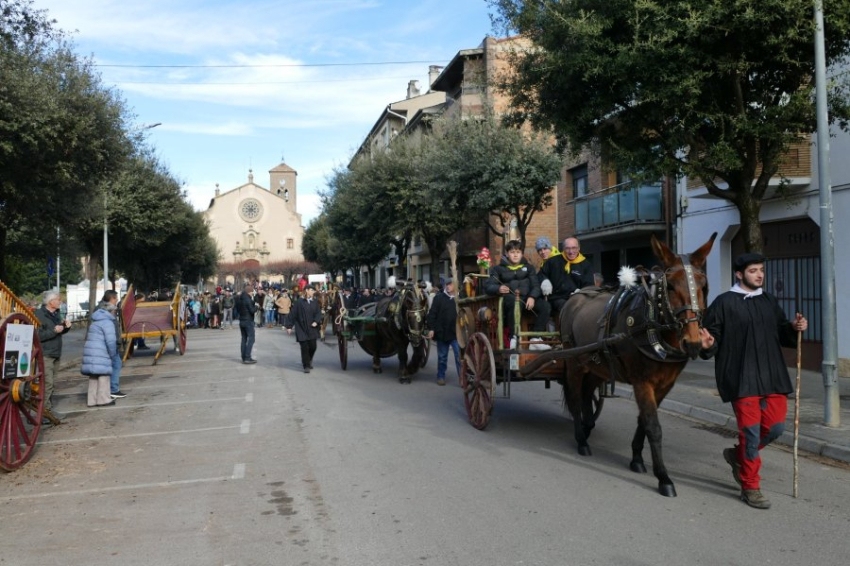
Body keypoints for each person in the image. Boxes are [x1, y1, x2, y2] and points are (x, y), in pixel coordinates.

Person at [699, 252, 808, 510]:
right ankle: (750, 486)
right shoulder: (723, 303)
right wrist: (708, 344)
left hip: (772, 375)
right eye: (753, 271)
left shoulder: (769, 300)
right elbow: (710, 338)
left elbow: (782, 331)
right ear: (739, 274)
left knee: (776, 428)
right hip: (741, 376)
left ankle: (737, 455)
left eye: (761, 270)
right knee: (750, 432)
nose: (759, 274)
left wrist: (794, 327)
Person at [484, 239, 550, 349]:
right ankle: (513, 337)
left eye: (518, 252)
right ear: (507, 253)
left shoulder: (529, 268)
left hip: (527, 298)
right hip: (509, 300)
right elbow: (488, 286)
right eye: (512, 252)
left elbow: (536, 286)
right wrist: (498, 288)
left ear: (522, 254)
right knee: (515, 303)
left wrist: (532, 297)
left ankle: (536, 338)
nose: (515, 255)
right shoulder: (497, 269)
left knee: (546, 306)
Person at [34, 290, 71, 421]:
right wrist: (54, 331)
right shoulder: (38, 315)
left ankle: (47, 410)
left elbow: (57, 331)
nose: (60, 301)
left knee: (52, 383)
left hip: (55, 353)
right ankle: (43, 413)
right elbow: (37, 336)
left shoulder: (54, 314)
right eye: (58, 299)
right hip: (46, 354)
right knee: (47, 383)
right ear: (50, 302)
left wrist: (65, 327)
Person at [539, 236, 595, 315]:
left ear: (579, 248)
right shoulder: (553, 261)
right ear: (563, 249)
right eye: (567, 248)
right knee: (568, 308)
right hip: (556, 299)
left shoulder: (586, 265)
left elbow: (590, 286)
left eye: (574, 248)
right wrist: (544, 280)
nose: (571, 251)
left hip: (578, 299)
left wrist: (581, 292)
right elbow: (540, 274)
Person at [81, 300, 120, 407]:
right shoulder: (108, 323)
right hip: (101, 351)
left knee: (93, 377)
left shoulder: (96, 321)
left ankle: (92, 400)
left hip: (91, 351)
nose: (115, 312)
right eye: (115, 311)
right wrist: (112, 354)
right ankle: (103, 399)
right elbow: (111, 341)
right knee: (104, 375)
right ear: (111, 311)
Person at [426, 277, 460, 386]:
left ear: (455, 285)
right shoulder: (439, 298)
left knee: (459, 356)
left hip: (456, 333)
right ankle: (440, 376)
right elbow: (432, 314)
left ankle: (462, 378)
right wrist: (431, 328)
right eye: (446, 284)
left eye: (450, 284)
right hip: (442, 332)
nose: (448, 286)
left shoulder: (460, 298)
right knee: (442, 357)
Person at [96, 290, 126, 399]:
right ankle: (113, 389)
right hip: (108, 343)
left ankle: (111, 389)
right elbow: (107, 329)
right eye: (116, 299)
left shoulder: (102, 308)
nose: (117, 301)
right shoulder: (105, 310)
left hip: (110, 342)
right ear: (111, 298)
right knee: (115, 364)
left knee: (115, 364)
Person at [286, 286, 323, 373]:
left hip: (312, 328)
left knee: (313, 346)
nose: (313, 292)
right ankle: (306, 365)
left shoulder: (315, 302)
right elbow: (292, 314)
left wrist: (316, 321)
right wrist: (289, 326)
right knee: (304, 347)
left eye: (313, 290)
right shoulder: (299, 302)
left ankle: (309, 359)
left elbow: (318, 313)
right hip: (301, 327)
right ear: (306, 291)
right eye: (311, 290)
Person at [234, 283, 258, 364]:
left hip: (242, 320)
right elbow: (252, 311)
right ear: (249, 292)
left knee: (244, 339)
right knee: (251, 338)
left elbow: (237, 309)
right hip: (248, 321)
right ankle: (247, 357)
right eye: (252, 292)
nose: (252, 293)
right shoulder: (248, 300)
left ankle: (243, 357)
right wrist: (256, 307)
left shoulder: (239, 299)